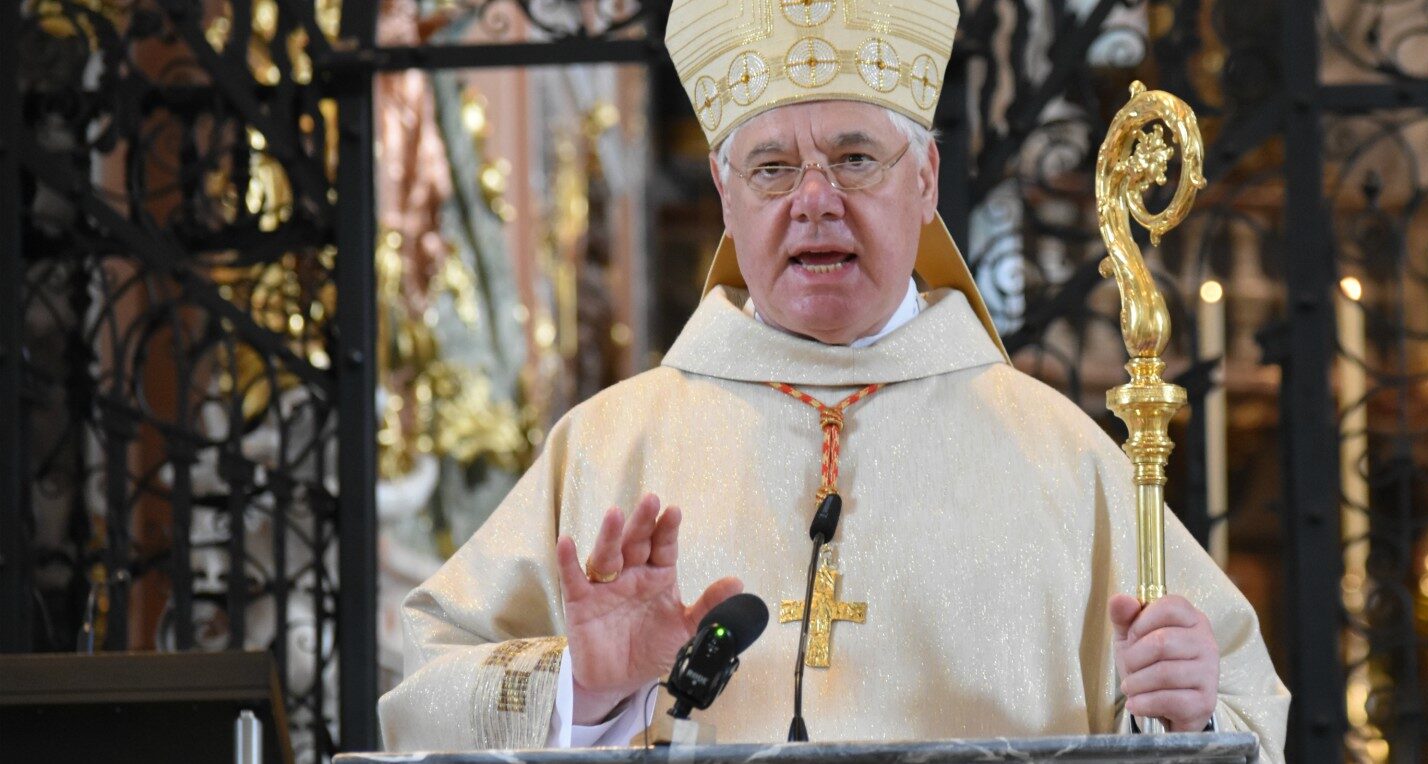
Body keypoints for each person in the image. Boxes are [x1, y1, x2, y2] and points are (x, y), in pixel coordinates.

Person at [376, 0, 1290, 759]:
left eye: (855, 159)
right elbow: (419, 692)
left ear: (925, 178)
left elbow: (1245, 723)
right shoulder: (609, 449)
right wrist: (586, 686)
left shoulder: (1063, 460)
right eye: (772, 168)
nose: (815, 200)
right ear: (726, 197)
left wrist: (1190, 715)